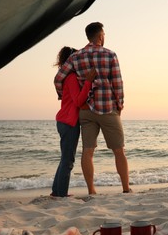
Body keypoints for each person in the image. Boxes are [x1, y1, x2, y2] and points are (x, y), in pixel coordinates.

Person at [54, 22, 131, 194]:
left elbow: (58, 78)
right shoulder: (110, 55)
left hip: (86, 110)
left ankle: (92, 191)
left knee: (88, 151)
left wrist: (61, 94)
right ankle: (126, 188)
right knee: (119, 150)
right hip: (107, 107)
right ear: (101, 35)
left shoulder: (75, 57)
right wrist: (120, 105)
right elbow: (117, 83)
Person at [51, 46, 97, 197]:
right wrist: (89, 82)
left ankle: (56, 192)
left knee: (65, 158)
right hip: (69, 122)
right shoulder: (70, 78)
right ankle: (61, 194)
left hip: (64, 121)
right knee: (68, 160)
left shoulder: (67, 77)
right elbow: (78, 101)